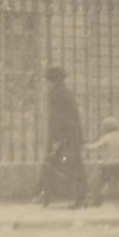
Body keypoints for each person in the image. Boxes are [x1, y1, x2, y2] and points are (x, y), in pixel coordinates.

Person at [34, 67, 88, 209]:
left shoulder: (56, 94)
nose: (46, 83)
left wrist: (57, 140)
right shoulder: (65, 92)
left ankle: (79, 198)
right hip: (70, 136)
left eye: (48, 80)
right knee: (58, 165)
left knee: (69, 167)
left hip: (64, 138)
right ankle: (46, 195)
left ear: (53, 81)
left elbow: (59, 118)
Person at [84, 116, 119, 207]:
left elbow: (97, 146)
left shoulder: (106, 138)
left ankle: (99, 201)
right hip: (118, 163)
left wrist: (86, 147)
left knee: (105, 182)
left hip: (107, 164)